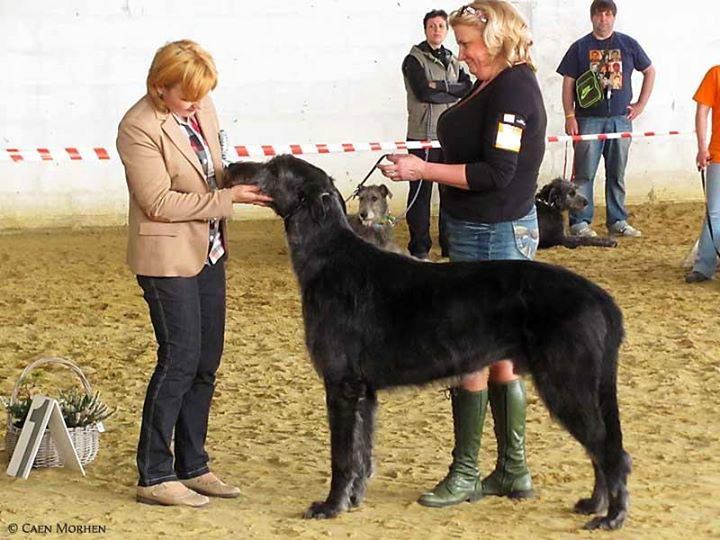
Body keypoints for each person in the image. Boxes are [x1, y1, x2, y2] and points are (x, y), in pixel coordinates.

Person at [380, 0, 545, 507]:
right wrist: (421, 159)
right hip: (484, 228)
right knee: (498, 355)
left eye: (469, 43)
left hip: (494, 230)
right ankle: (511, 470)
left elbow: (496, 172)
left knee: (471, 352)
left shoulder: (513, 88)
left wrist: (422, 172)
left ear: (495, 39)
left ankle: (467, 472)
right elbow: (474, 153)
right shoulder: (494, 83)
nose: (462, 53)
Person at [116, 39, 272, 507]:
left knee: (206, 362)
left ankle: (193, 464)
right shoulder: (137, 127)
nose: (198, 103)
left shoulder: (202, 105)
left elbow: (214, 168)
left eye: (202, 94)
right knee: (178, 360)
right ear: (159, 87)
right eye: (187, 96)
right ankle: (154, 474)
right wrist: (230, 200)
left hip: (210, 250)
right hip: (167, 260)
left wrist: (252, 182)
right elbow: (159, 203)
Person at [557, 0, 655, 238]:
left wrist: (640, 104)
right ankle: (580, 222)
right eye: (599, 14)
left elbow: (649, 71)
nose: (604, 19)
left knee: (617, 172)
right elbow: (568, 83)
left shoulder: (628, 44)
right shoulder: (579, 48)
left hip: (621, 119)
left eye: (608, 14)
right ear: (592, 18)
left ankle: (618, 220)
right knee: (584, 174)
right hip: (587, 120)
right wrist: (570, 115)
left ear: (614, 17)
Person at [402, 9, 472, 260]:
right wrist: (452, 90)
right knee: (420, 194)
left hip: (449, 136)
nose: (437, 30)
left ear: (446, 30)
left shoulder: (454, 59)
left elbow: (468, 87)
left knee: (449, 193)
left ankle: (449, 244)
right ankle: (419, 247)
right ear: (425, 29)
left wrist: (441, 87)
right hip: (422, 135)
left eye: (441, 26)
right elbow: (423, 93)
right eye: (432, 26)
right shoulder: (414, 59)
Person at [685, 65, 720, 283]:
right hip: (718, 153)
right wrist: (702, 148)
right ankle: (704, 265)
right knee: (715, 212)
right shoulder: (715, 74)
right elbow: (702, 111)